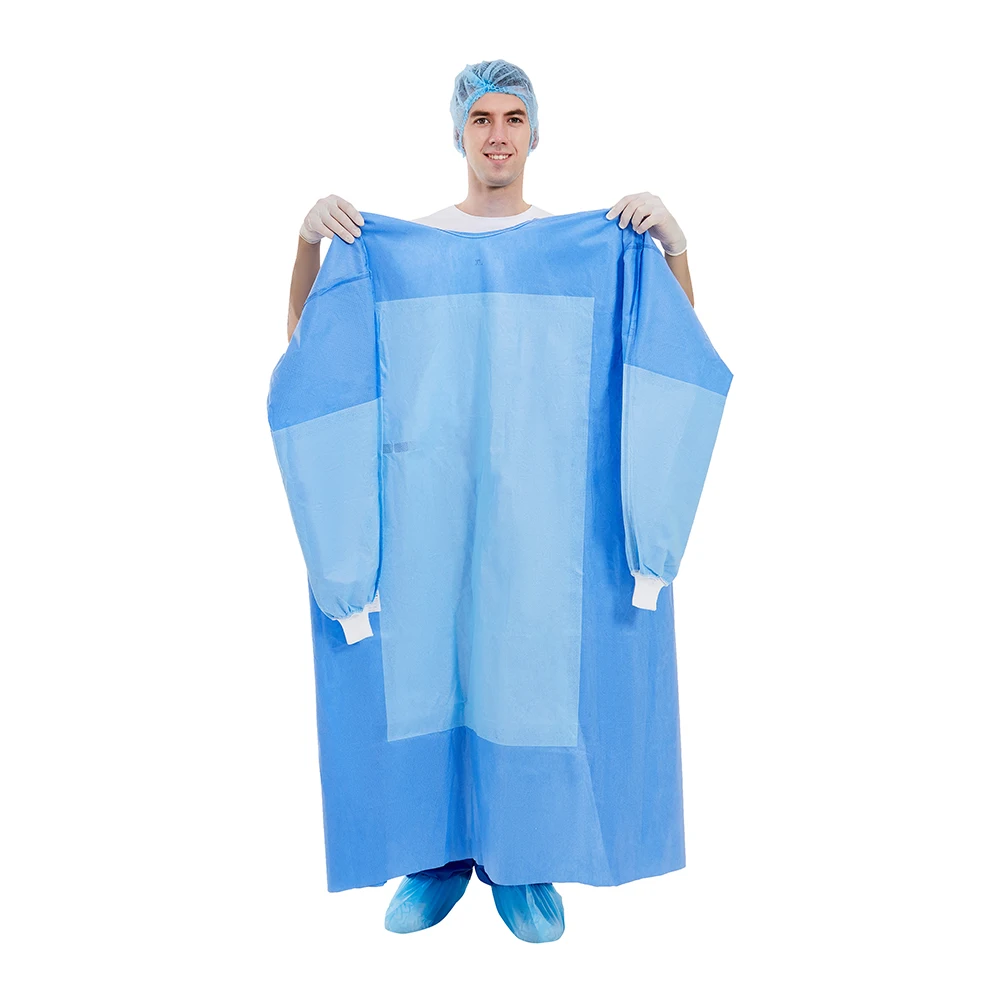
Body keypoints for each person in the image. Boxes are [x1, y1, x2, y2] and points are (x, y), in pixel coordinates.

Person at [285, 59, 698, 943]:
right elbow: (314, 356)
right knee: (429, 674)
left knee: (524, 677)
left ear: (536, 133)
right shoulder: (400, 250)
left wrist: (673, 248)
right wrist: (307, 247)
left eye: (514, 117)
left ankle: (523, 858)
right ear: (459, 133)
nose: (499, 133)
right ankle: (434, 856)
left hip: (545, 516)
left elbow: (662, 349)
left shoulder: (582, 250)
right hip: (424, 512)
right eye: (482, 118)